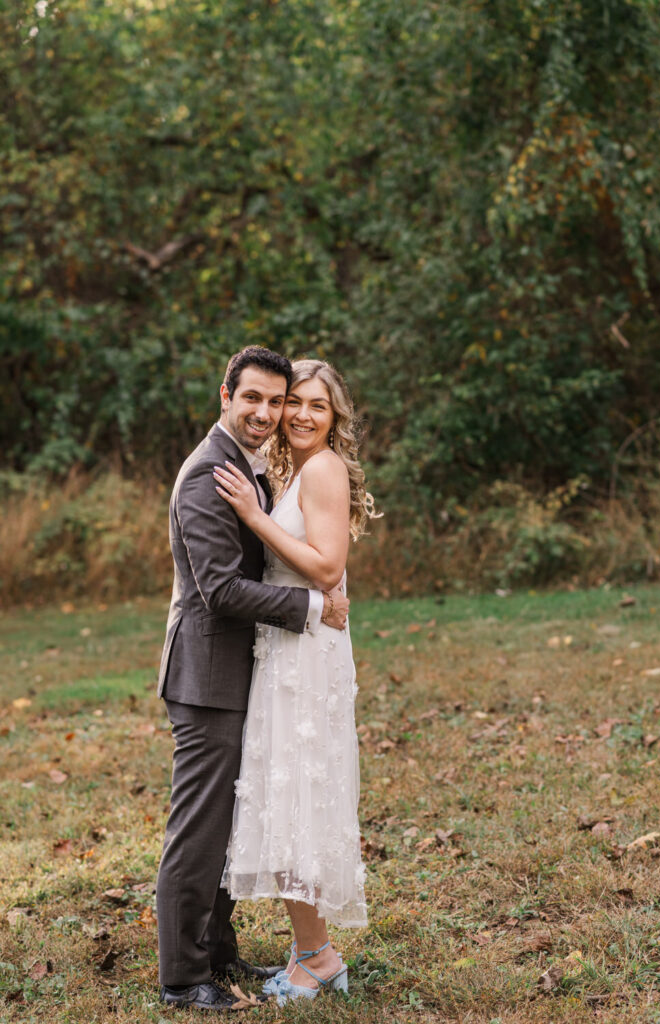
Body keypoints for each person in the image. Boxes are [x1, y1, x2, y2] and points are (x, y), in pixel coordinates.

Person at [156, 346, 350, 1013]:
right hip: (205, 674)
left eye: (280, 399)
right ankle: (184, 977)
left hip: (248, 669)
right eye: (256, 399)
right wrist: (309, 606)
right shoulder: (207, 473)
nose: (268, 412)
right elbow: (216, 589)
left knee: (229, 822)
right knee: (200, 830)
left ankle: (218, 951)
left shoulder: (255, 465)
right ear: (225, 396)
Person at [212, 358, 376, 1006]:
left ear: (334, 418)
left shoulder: (324, 467)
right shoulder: (295, 470)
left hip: (306, 657)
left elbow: (328, 565)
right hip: (288, 647)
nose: (302, 415)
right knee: (287, 804)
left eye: (317, 405)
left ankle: (316, 958)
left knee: (295, 807)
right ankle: (312, 951)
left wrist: (254, 518)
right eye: (295, 403)